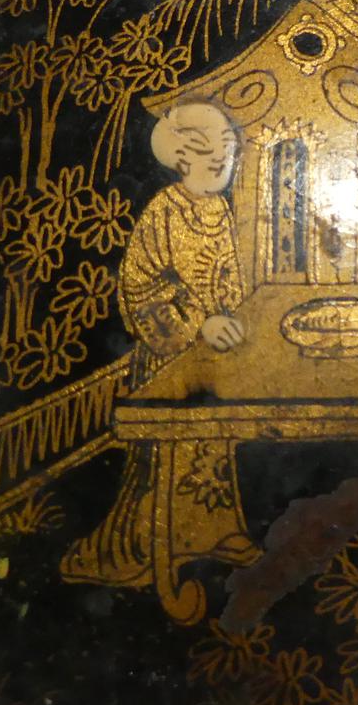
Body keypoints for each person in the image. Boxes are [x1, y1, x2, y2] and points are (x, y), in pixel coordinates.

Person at [61, 100, 253, 587]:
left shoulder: (220, 209)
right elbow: (140, 287)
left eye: (227, 150)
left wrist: (232, 314)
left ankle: (216, 531)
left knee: (214, 442)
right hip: (169, 353)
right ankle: (150, 542)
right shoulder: (164, 212)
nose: (221, 162)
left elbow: (229, 276)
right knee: (167, 451)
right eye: (208, 153)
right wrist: (198, 324)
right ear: (182, 158)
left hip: (212, 355)